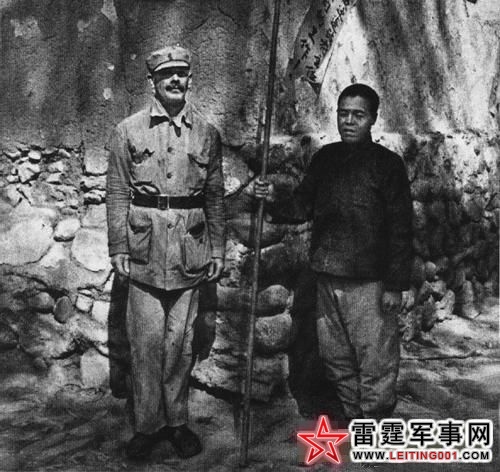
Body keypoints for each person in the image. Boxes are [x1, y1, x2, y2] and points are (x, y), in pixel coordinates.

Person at [252, 84, 413, 423]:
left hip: (369, 282)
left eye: (358, 115)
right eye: (343, 114)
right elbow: (302, 206)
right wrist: (274, 198)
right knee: (335, 358)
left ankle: (374, 424)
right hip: (327, 277)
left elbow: (401, 228)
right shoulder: (325, 159)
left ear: (373, 119)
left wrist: (395, 285)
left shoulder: (388, 165)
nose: (349, 121)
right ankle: (356, 417)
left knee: (376, 360)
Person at [106, 44, 225, 460]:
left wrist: (218, 248)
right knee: (145, 343)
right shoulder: (128, 131)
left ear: (190, 79)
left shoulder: (207, 134)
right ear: (152, 82)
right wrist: (118, 246)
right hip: (145, 252)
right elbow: (117, 192)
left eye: (181, 73)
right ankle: (147, 426)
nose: (174, 80)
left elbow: (214, 196)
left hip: (189, 251)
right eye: (165, 74)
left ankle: (177, 422)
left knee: (181, 343)